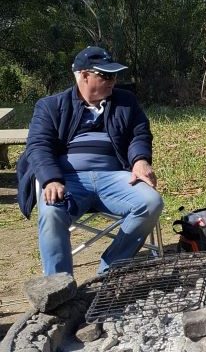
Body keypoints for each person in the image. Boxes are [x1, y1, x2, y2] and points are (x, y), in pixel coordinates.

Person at [16, 46, 164, 275]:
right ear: (84, 75)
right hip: (68, 180)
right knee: (51, 210)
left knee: (150, 202)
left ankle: (111, 268)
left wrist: (140, 160)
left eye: (115, 75)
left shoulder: (126, 101)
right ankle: (59, 285)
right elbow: (38, 146)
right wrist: (51, 179)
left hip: (115, 177)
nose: (113, 81)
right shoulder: (51, 105)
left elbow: (139, 134)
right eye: (106, 75)